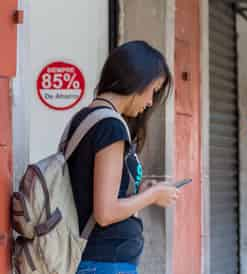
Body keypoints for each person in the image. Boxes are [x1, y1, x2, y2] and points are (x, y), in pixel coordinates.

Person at [67, 41, 180, 274]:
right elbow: (105, 213)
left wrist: (138, 192)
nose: (150, 101)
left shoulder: (85, 118)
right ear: (138, 79)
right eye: (154, 90)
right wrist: (151, 196)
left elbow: (90, 194)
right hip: (105, 262)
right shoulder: (110, 126)